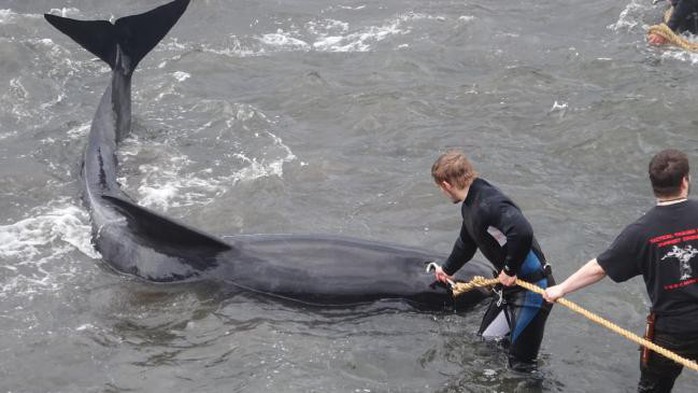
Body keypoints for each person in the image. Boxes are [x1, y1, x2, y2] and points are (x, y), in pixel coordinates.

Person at [543, 149, 698, 392]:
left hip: (669, 334)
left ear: (653, 185)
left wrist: (560, 289)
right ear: (685, 181)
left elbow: (599, 268)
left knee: (652, 388)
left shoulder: (640, 231)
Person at [430, 149, 554, 372]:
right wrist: (447, 270)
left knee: (521, 366)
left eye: (440, 187)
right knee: (488, 343)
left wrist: (509, 269)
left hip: (534, 290)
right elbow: (466, 243)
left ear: (446, 184)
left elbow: (522, 231)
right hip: (510, 291)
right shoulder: (471, 204)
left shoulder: (488, 203)